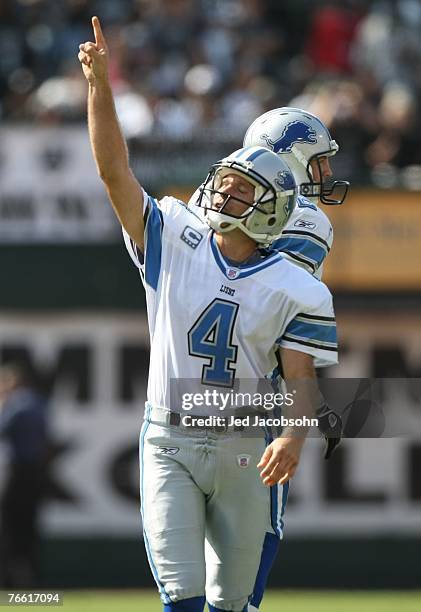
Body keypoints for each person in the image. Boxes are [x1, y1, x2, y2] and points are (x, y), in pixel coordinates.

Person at [78, 17, 338, 612]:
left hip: (246, 428)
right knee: (185, 594)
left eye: (240, 187)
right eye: (225, 183)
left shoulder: (281, 264)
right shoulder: (183, 228)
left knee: (235, 598)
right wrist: (100, 87)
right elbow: (117, 175)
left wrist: (296, 429)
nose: (223, 193)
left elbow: (297, 368)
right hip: (179, 423)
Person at [0, 363, 48, 588]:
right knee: (30, 528)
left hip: (19, 473)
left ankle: (11, 580)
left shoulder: (16, 404)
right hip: (37, 474)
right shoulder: (38, 403)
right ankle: (31, 578)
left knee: (10, 527)